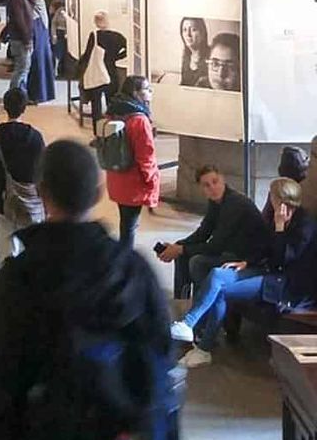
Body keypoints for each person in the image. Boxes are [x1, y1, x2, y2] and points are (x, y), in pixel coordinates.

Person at [0, 140, 174, 440]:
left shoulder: (18, 279)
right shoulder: (131, 269)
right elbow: (160, 357)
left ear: (41, 192)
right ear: (97, 194)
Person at [171, 177, 317, 369]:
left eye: (271, 196)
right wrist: (246, 262)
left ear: (280, 199)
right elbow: (264, 248)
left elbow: (283, 260)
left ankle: (203, 348)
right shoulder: (274, 217)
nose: (269, 200)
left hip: (285, 284)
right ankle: (189, 325)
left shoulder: (304, 224)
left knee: (222, 292)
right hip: (266, 270)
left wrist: (280, 228)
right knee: (218, 273)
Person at [156, 163, 270, 292]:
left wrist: (181, 249)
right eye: (206, 185)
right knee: (182, 256)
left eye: (215, 182)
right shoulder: (216, 202)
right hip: (231, 250)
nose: (212, 188)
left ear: (222, 180)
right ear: (201, 189)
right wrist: (175, 247)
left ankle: (202, 304)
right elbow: (203, 233)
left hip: (247, 257)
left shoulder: (235, 203)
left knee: (197, 262)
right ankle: (182, 300)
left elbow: (216, 246)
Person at [0, 87, 45, 265]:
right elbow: (43, 174)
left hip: (2, 202)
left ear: (5, 107)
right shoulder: (36, 138)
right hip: (31, 205)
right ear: (24, 108)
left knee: (6, 255)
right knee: (31, 253)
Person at [104, 75, 160, 249]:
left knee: (126, 222)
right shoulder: (139, 120)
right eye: (146, 89)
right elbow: (146, 155)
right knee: (129, 227)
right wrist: (151, 179)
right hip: (133, 181)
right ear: (136, 93)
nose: (150, 92)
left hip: (116, 176)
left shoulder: (114, 112)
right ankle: (124, 259)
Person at [5, 0, 34, 91]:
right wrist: (26, 39)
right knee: (22, 69)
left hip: (19, 38)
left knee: (22, 68)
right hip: (20, 39)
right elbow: (19, 20)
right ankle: (15, 94)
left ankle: (19, 93)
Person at [27, 0, 56, 105]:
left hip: (41, 37)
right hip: (39, 37)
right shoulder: (31, 3)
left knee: (41, 66)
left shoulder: (39, 3)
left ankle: (40, 94)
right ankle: (37, 94)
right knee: (37, 66)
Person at [178, 16, 209, 87]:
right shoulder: (186, 56)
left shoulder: (211, 56)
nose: (188, 35)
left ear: (203, 33)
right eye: (184, 30)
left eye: (193, 29)